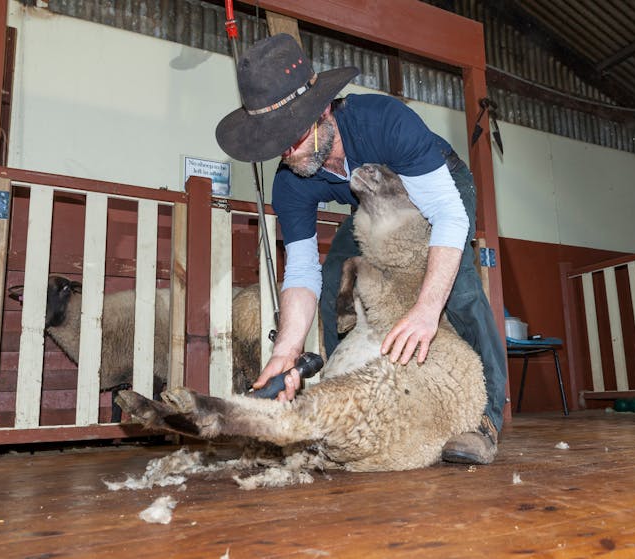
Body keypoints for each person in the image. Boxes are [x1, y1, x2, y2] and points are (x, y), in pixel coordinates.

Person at [216, 33, 506, 465]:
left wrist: (426, 311)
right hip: (370, 201)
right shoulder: (292, 178)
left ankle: (486, 418)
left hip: (438, 187)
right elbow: (300, 269)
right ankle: (343, 403)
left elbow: (448, 213)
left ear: (324, 109)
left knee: (459, 289)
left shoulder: (384, 122)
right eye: (274, 141)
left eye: (292, 136)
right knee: (334, 279)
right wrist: (285, 351)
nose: (286, 152)